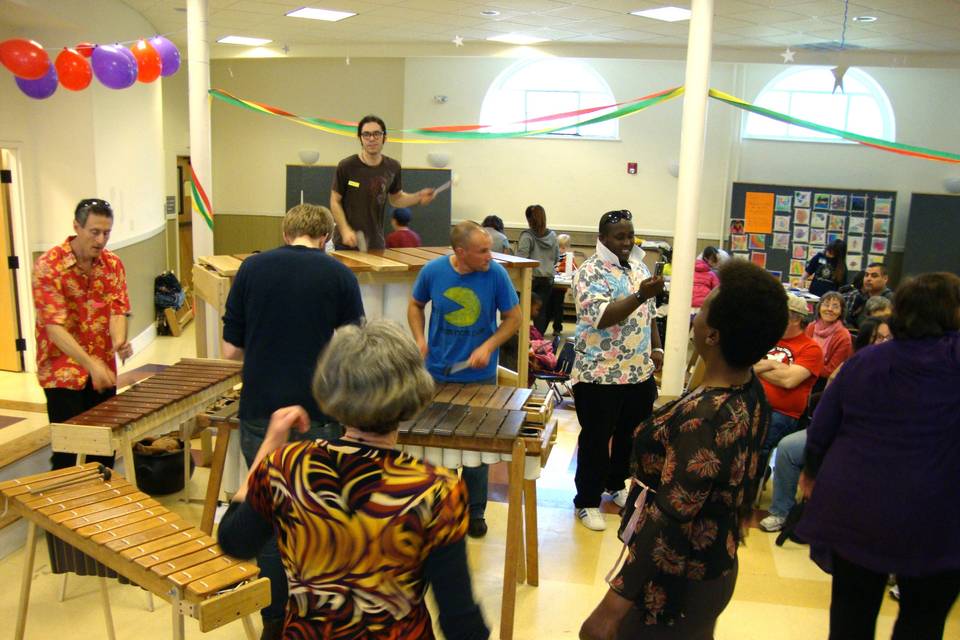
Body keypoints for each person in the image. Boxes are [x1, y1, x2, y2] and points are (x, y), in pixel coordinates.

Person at [218, 320, 489, 640]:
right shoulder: (436, 491)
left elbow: (234, 541)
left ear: (330, 388)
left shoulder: (284, 467)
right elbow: (460, 623)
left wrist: (269, 447)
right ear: (413, 391)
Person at [580, 261, 788, 640]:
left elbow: (670, 518)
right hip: (714, 563)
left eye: (704, 308)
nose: (696, 314)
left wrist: (613, 607)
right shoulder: (747, 388)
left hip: (674, 581)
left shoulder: (704, 421)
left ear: (713, 336)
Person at [221, 203, 365, 638]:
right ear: (325, 237)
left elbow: (229, 350)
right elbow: (353, 346)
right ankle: (313, 613)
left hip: (260, 412)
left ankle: (272, 619)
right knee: (315, 515)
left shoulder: (251, 269)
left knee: (266, 513)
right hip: (317, 413)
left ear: (286, 234)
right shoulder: (340, 274)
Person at [795, 273, 960, 640]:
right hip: (938, 511)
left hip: (857, 504)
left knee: (851, 617)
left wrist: (811, 469)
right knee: (924, 621)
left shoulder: (866, 361)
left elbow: (823, 425)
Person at [408, 221, 521, 538]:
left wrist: (488, 346)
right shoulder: (433, 272)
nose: (490, 255)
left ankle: (475, 511)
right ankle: (443, 508)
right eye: (483, 250)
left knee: (476, 451)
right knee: (439, 447)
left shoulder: (495, 274)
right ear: (460, 252)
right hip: (437, 374)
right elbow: (415, 305)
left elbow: (514, 318)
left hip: (479, 378)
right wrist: (419, 339)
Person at [570, 210, 664, 532]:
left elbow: (649, 313)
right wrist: (640, 295)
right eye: (619, 237)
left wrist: (657, 347)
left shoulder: (638, 266)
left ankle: (616, 484)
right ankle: (586, 500)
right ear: (603, 239)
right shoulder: (590, 272)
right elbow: (603, 317)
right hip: (600, 374)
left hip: (637, 372)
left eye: (630, 235)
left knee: (629, 435)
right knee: (597, 439)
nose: (626, 242)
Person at [758, 317, 887, 534]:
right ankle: (782, 512)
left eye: (888, 338)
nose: (882, 342)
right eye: (878, 337)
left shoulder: (899, 372)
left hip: (867, 438)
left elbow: (788, 380)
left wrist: (767, 367)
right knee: (789, 447)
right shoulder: (854, 363)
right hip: (835, 426)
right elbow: (830, 396)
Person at [33, 198, 131, 470]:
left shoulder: (113, 264)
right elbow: (54, 328)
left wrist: (119, 341)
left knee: (104, 449)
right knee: (69, 451)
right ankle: (65, 509)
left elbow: (117, 309)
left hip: (102, 367)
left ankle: (99, 504)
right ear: (77, 226)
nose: (101, 240)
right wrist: (90, 364)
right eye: (95, 232)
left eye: (107, 232)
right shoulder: (48, 265)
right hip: (61, 371)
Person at [330, 115, 435, 250]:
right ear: (360, 138)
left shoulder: (393, 166)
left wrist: (419, 197)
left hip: (376, 243)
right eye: (366, 134)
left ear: (385, 137)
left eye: (377, 134)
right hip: (346, 243)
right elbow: (335, 200)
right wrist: (345, 230)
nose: (372, 138)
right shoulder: (347, 166)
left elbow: (396, 199)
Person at [753, 294, 823, 460]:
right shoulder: (768, 338)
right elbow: (745, 364)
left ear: (795, 319)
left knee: (756, 447)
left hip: (781, 412)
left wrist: (758, 366)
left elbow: (788, 380)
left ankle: (752, 482)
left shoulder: (811, 348)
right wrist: (774, 365)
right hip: (751, 402)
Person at [517, 204, 560, 335]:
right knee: (541, 311)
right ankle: (538, 340)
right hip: (547, 278)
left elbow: (521, 259)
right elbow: (556, 257)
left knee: (522, 308)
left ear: (529, 219)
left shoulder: (527, 236)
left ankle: (522, 338)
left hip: (530, 278)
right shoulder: (552, 236)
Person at [803, 291, 853, 389]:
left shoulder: (843, 336)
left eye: (835, 307)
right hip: (804, 371)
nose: (830, 309)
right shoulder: (811, 326)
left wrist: (806, 366)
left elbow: (831, 371)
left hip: (823, 382)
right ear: (819, 307)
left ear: (841, 312)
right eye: (826, 305)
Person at [845, 262, 893, 327]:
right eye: (866, 275)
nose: (868, 279)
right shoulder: (859, 297)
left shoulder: (891, 300)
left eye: (874, 276)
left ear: (885, 279)